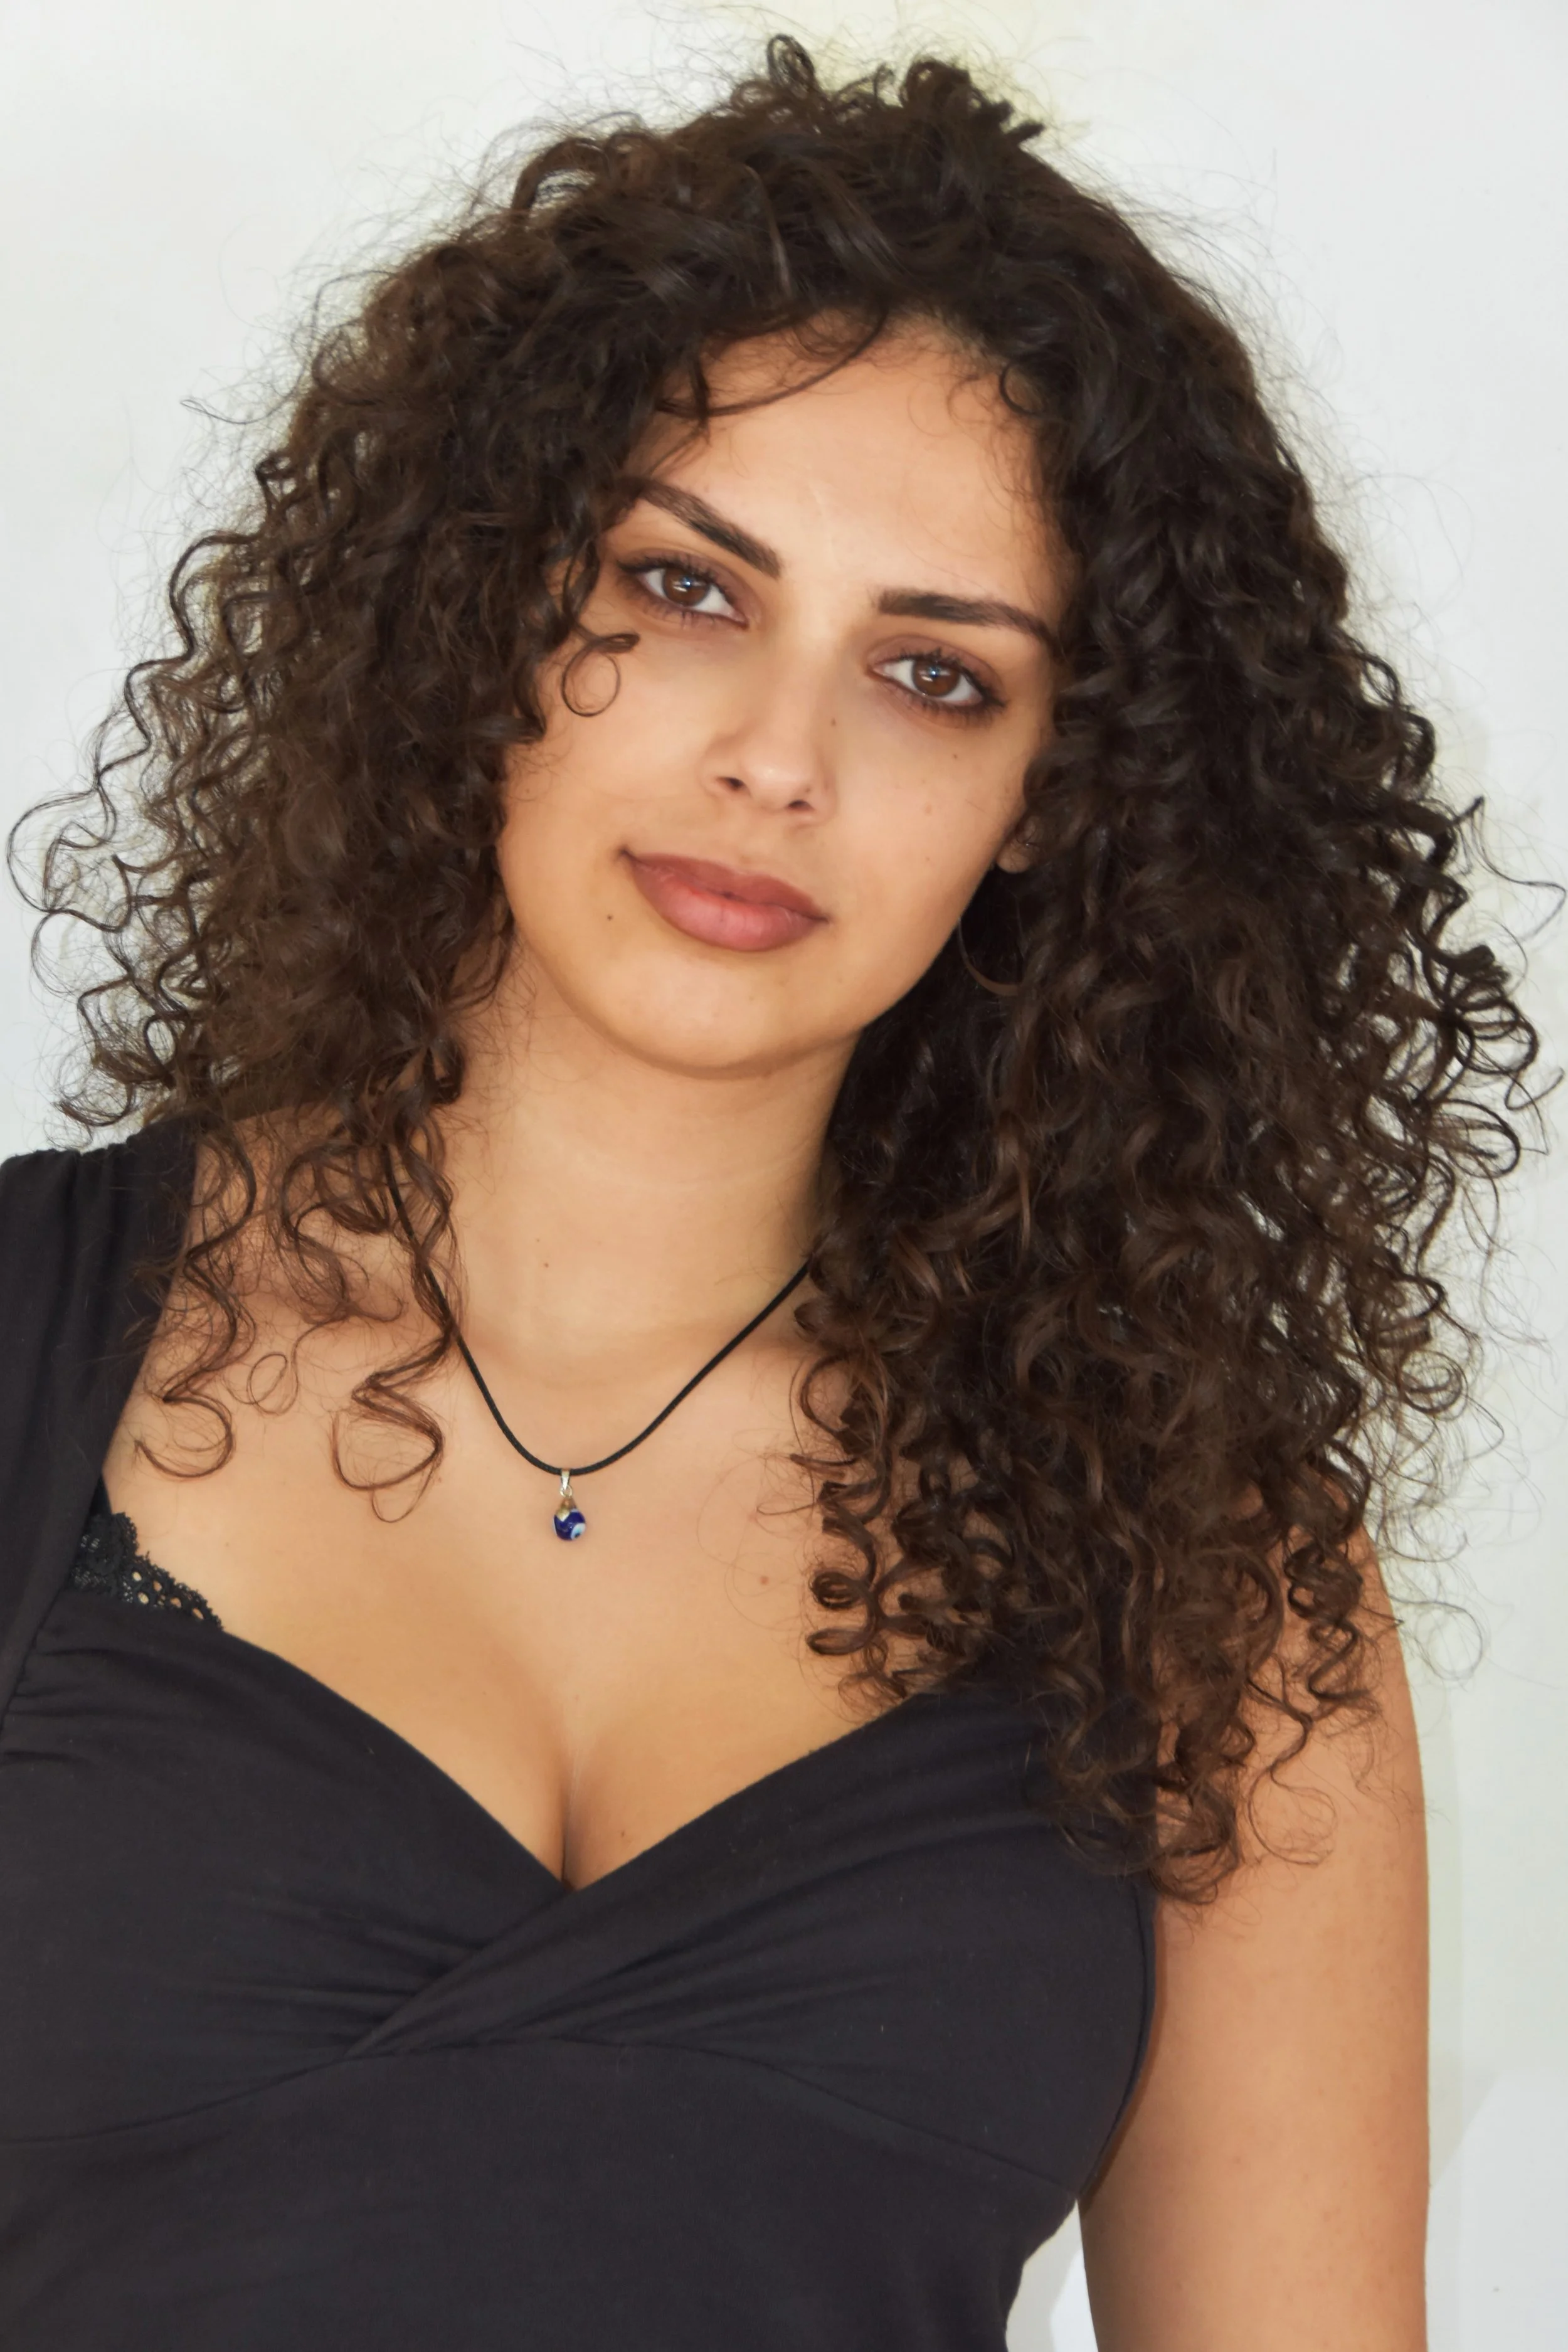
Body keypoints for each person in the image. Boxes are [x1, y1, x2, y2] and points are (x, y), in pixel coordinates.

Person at [0, 36, 1537, 2352]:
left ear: (1054, 796)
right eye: (685, 587)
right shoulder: (28, 1340)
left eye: (933, 674)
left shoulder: (1209, 1579)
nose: (777, 759)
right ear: (487, 599)